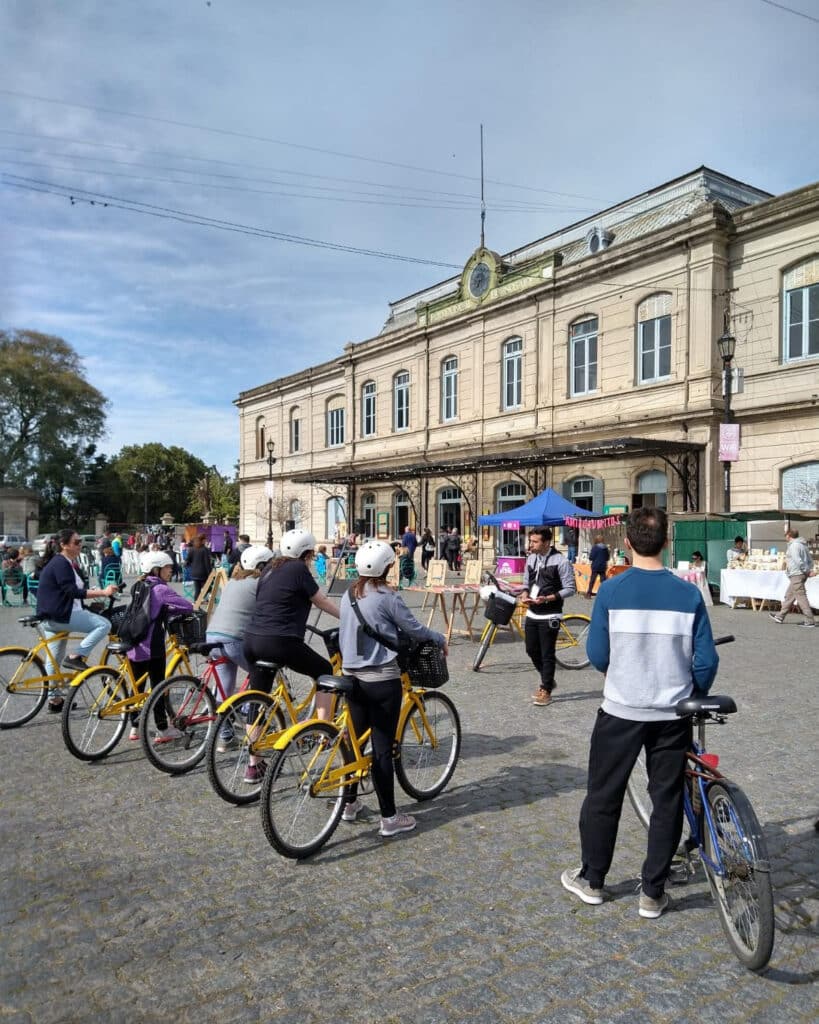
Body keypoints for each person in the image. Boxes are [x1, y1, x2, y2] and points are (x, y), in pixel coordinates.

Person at [561, 507, 719, 918]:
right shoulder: (689, 593)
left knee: (603, 795)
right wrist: (694, 689)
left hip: (622, 709)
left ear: (626, 544)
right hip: (671, 713)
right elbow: (705, 662)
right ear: (667, 542)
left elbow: (597, 655)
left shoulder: (612, 590)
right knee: (666, 799)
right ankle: (653, 890)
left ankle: (594, 880)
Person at [338, 539, 447, 836]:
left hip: (351, 676)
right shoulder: (388, 596)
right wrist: (439, 638)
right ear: (389, 566)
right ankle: (389, 817)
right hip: (380, 679)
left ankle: (349, 803)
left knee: (356, 740)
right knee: (382, 747)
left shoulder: (349, 593)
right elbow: (414, 629)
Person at [242, 529, 340, 783]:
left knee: (258, 699)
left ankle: (253, 765)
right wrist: (348, 617)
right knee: (325, 672)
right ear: (306, 553)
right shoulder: (298, 570)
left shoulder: (269, 569)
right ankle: (324, 732)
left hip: (251, 640)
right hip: (279, 641)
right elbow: (321, 601)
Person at [35, 528, 119, 711]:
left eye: (80, 541)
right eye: (76, 542)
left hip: (53, 615)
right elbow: (71, 592)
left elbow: (68, 594)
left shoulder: (64, 562)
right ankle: (76, 656)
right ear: (64, 545)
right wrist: (103, 592)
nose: (80, 544)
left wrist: (89, 607)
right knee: (104, 624)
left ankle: (55, 701)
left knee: (54, 659)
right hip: (60, 616)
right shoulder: (61, 563)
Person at [205, 544, 274, 750]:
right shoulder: (261, 583)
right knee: (261, 674)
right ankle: (250, 715)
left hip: (213, 636)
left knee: (224, 690)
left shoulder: (234, 581)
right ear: (262, 566)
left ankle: (225, 737)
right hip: (235, 639)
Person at [125, 551, 195, 742]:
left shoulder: (138, 585)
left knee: (137, 687)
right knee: (159, 687)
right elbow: (187, 606)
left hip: (133, 641)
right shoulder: (161, 589)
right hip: (151, 646)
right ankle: (163, 729)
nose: (171, 570)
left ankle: (134, 728)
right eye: (167, 567)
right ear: (156, 569)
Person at [519, 527, 576, 706]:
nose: (531, 545)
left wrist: (548, 598)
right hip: (532, 612)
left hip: (550, 613)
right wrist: (524, 593)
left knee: (547, 653)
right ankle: (548, 680)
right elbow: (526, 582)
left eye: (535, 542)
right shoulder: (531, 558)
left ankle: (546, 689)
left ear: (546, 542)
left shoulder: (561, 561)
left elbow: (570, 588)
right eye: (531, 541)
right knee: (531, 649)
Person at [770, 528, 815, 628]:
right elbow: (810, 559)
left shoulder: (794, 546)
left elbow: (798, 560)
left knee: (801, 597)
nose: (785, 537)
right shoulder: (803, 545)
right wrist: (809, 570)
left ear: (789, 536)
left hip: (797, 574)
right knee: (789, 595)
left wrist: (807, 571)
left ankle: (810, 620)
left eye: (786, 535)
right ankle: (780, 616)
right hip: (800, 574)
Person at [185, 534, 212, 600]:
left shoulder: (191, 549)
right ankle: (202, 598)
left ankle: (196, 605)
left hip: (194, 573)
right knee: (209, 587)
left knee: (197, 590)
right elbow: (207, 563)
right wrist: (210, 574)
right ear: (202, 541)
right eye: (205, 539)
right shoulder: (205, 550)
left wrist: (192, 565)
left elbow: (187, 561)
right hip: (203, 573)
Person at [586, 534, 610, 598]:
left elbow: (591, 557)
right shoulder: (605, 548)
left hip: (595, 566)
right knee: (603, 581)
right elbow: (607, 558)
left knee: (592, 580)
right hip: (603, 566)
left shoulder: (595, 548)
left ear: (596, 540)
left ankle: (589, 593)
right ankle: (605, 594)